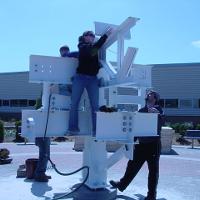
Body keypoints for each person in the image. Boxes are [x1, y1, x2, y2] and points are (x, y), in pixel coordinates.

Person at [34, 45, 78, 182]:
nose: (64, 55)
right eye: (63, 53)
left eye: (66, 52)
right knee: (45, 153)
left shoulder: (67, 67)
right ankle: (39, 173)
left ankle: (40, 173)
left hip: (47, 118)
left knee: (45, 153)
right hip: (44, 125)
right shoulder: (57, 71)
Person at [110, 90, 165, 200]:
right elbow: (136, 128)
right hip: (141, 145)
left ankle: (151, 196)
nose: (148, 101)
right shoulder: (141, 111)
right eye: (147, 99)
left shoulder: (158, 111)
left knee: (153, 172)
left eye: (151, 99)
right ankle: (122, 185)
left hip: (153, 146)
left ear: (156, 100)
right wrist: (131, 141)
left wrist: (157, 115)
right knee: (131, 166)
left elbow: (162, 124)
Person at [68, 28, 112, 135]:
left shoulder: (93, 48)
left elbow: (95, 50)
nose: (92, 37)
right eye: (90, 35)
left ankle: (96, 130)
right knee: (74, 103)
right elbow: (94, 49)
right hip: (80, 77)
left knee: (95, 106)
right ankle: (73, 128)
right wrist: (105, 35)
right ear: (84, 37)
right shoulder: (82, 46)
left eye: (93, 36)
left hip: (93, 79)